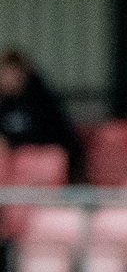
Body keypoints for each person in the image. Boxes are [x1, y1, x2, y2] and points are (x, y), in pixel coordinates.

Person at [0, 49, 85, 182]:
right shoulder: (4, 102)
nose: (7, 78)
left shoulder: (43, 101)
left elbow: (54, 136)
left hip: (41, 158)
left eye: (13, 73)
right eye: (4, 73)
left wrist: (13, 143)